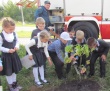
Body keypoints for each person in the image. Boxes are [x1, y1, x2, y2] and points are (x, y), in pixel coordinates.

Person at [0, 17, 22, 91]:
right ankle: (11, 86)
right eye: (10, 29)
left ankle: (14, 84)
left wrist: (16, 47)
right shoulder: (1, 36)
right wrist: (8, 50)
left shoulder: (14, 34)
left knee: (14, 70)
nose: (12, 31)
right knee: (8, 72)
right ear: (4, 27)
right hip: (6, 57)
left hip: (14, 56)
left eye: (13, 29)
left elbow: (17, 42)